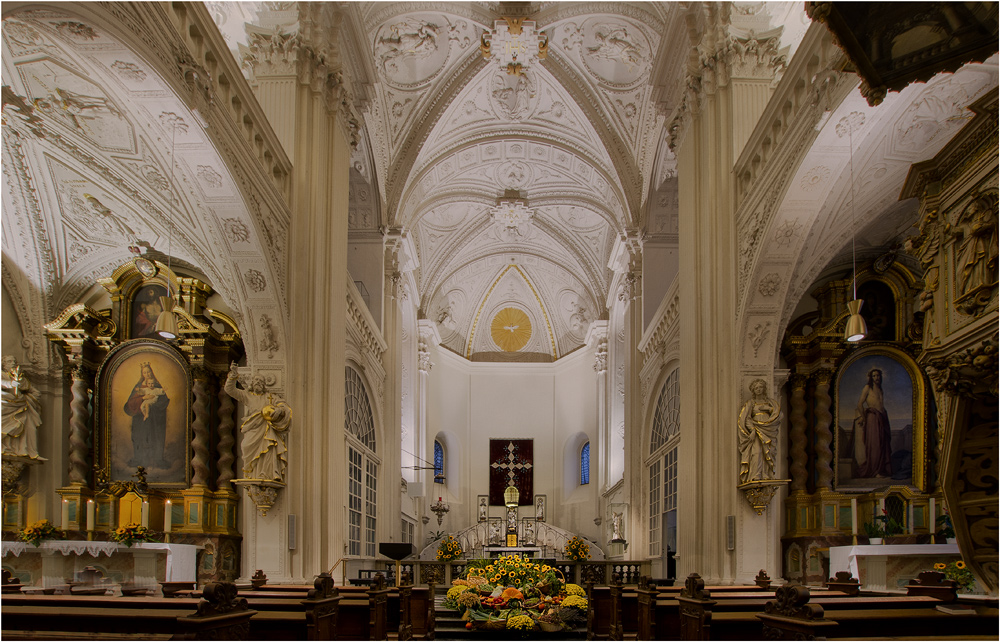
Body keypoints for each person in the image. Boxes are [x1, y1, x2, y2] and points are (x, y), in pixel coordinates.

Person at [224, 362, 291, 481]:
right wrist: (233, 376)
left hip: (265, 429)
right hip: (253, 428)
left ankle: (265, 474)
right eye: (256, 381)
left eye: (261, 382)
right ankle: (252, 473)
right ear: (252, 384)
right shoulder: (247, 396)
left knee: (268, 451)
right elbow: (230, 390)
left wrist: (279, 411)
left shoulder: (269, 397)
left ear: (264, 385)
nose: (258, 383)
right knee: (245, 446)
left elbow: (283, 405)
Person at [123, 362, 169, 468]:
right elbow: (130, 403)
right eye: (145, 372)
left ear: (151, 372)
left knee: (154, 437)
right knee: (139, 437)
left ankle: (157, 460)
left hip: (155, 419)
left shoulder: (156, 386)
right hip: (140, 419)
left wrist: (154, 406)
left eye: (149, 372)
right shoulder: (139, 387)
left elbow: (164, 401)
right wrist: (143, 398)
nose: (147, 374)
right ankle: (139, 460)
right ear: (142, 374)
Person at [738, 379, 780, 483]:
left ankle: (766, 475)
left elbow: (779, 415)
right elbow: (746, 418)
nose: (758, 389)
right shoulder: (751, 403)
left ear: (764, 389)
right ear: (753, 390)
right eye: (756, 388)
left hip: (769, 430)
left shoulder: (771, 403)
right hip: (756, 430)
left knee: (768, 451)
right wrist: (752, 430)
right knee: (757, 452)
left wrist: (769, 409)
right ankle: (755, 475)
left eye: (760, 387)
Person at [1, 356, 43, 459]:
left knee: (29, 423)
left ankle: (26, 450)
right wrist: (10, 384)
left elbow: (34, 392)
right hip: (7, 403)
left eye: (14, 361)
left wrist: (30, 397)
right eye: (10, 361)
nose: (13, 363)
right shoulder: (1, 375)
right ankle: (4, 447)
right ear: (4, 364)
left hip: (21, 404)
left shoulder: (21, 378)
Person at [854, 368, 892, 478]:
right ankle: (875, 471)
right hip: (873, 418)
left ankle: (881, 470)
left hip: (882, 417)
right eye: (874, 376)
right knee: (875, 445)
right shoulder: (867, 388)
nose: (876, 378)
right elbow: (860, 404)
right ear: (871, 377)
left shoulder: (880, 389)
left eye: (878, 376)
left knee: (883, 444)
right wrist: (864, 418)